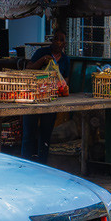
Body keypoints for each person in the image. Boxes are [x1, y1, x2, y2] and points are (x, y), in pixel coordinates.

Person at [21, 30, 70, 165]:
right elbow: (28, 68)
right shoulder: (41, 53)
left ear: (64, 44)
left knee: (45, 134)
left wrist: (63, 87)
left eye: (61, 40)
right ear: (52, 41)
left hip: (51, 100)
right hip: (33, 98)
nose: (58, 42)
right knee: (28, 133)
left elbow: (65, 80)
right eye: (55, 39)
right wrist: (43, 60)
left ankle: (42, 164)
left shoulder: (65, 60)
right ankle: (25, 163)